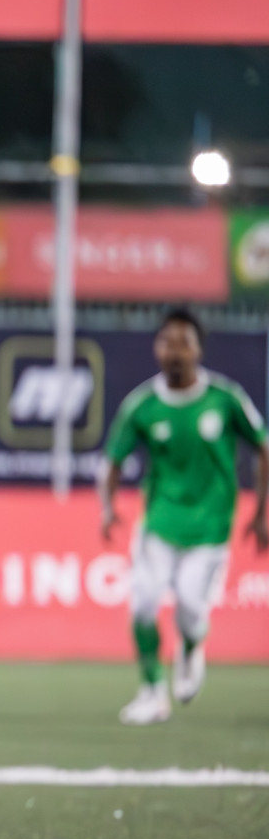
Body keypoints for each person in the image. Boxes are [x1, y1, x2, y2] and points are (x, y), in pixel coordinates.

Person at [100, 308, 268, 726]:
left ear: (198, 350)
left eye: (184, 343)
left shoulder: (225, 399)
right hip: (159, 523)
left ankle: (191, 647)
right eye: (166, 342)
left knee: (191, 611)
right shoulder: (142, 405)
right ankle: (152, 692)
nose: (174, 351)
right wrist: (107, 508)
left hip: (210, 528)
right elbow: (113, 461)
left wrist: (261, 513)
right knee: (142, 604)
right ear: (156, 349)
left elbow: (263, 448)